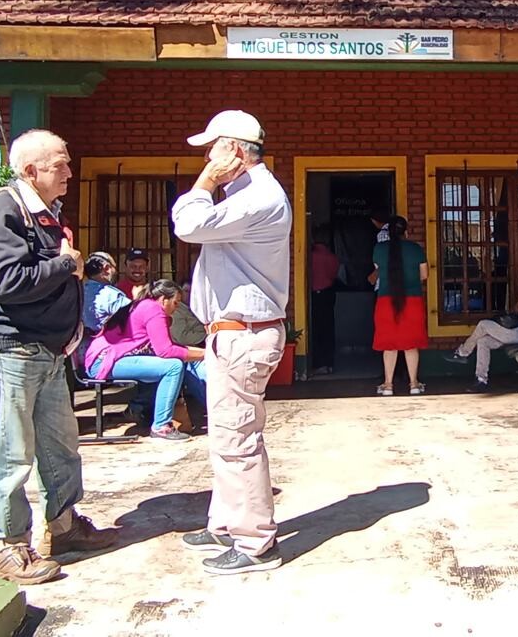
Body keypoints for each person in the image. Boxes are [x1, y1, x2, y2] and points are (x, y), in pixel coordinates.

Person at [0, 129, 119, 585]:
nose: (70, 172)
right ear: (31, 171)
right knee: (12, 452)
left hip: (47, 352)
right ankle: (8, 546)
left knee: (60, 446)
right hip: (10, 350)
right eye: (60, 165)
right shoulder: (5, 210)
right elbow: (6, 281)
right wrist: (66, 264)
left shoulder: (45, 212)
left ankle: (65, 526)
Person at [170, 109, 291, 576]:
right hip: (233, 334)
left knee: (237, 437)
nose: (207, 157)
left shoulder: (258, 197)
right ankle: (225, 523)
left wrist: (204, 181)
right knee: (226, 436)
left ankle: (255, 542)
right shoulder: (245, 195)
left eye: (213, 149)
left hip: (244, 335)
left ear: (235, 151)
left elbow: (188, 225)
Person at [85, 278, 207, 441]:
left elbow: (168, 346)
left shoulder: (146, 305)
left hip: (110, 358)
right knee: (174, 366)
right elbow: (166, 351)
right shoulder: (154, 310)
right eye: (176, 303)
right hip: (103, 361)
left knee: (180, 363)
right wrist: (205, 354)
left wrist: (201, 353)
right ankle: (161, 426)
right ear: (164, 300)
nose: (176, 308)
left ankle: (212, 409)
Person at [446, 261, 518, 391]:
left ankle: (463, 353)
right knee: (483, 341)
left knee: (483, 325)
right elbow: (516, 307)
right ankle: (481, 379)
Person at [370, 216, 428, 396]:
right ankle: (414, 384)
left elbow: (379, 271)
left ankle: (388, 385)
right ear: (406, 232)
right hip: (412, 300)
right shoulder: (415, 249)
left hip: (386, 300)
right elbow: (424, 275)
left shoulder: (379, 249)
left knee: (389, 345)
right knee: (411, 345)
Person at [308, 228, 340, 376]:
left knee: (315, 329)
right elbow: (334, 275)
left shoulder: (310, 256)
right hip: (328, 294)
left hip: (314, 295)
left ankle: (318, 364)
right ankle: (329, 364)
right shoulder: (332, 257)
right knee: (328, 328)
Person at [80, 252, 126, 333]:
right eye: (114, 268)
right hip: (105, 342)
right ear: (107, 268)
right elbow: (134, 316)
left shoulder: (78, 292)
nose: (115, 272)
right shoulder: (112, 296)